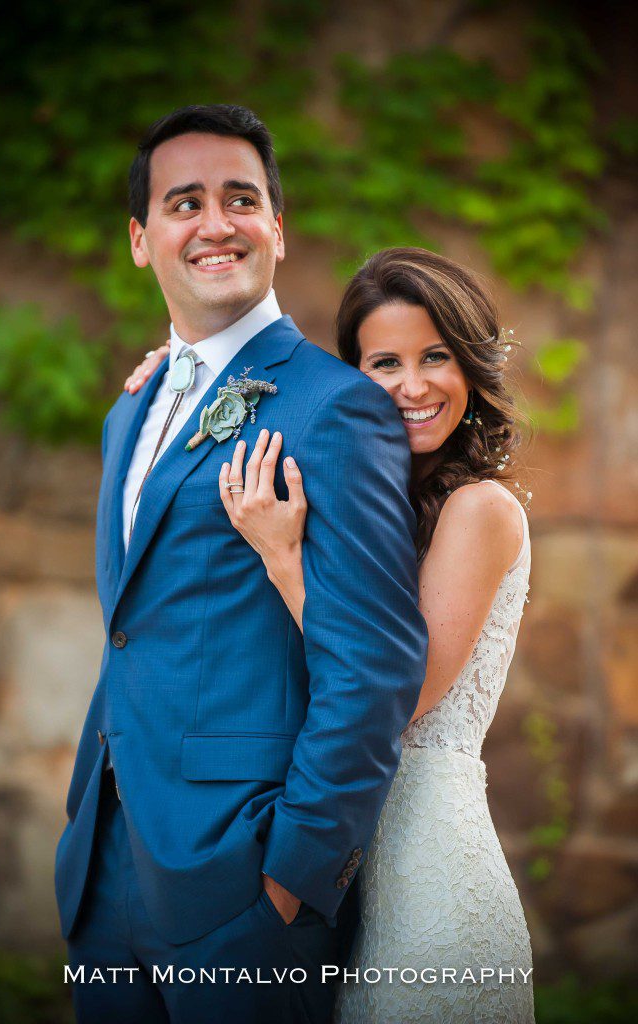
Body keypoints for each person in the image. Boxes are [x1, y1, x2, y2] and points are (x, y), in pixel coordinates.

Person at [54, 105, 428, 1024]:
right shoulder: (130, 409)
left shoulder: (335, 407)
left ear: (277, 228)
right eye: (184, 203)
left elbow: (376, 662)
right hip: (105, 864)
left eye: (241, 199)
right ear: (140, 240)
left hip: (243, 882)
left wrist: (296, 874)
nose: (215, 223)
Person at [129, 246, 536, 1022]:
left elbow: (398, 693)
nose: (412, 386)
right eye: (384, 363)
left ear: (471, 364)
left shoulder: (478, 509)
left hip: (424, 872)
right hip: (334, 868)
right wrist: (180, 375)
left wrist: (286, 562)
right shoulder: (367, 501)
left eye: (435, 357)